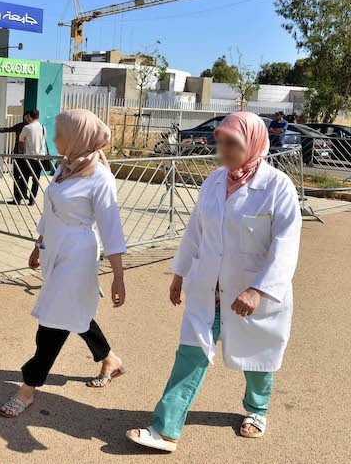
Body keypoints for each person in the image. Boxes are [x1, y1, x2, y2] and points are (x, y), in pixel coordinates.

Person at [126, 112, 301, 452]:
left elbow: (286, 244)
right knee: (190, 354)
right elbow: (196, 230)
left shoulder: (277, 186)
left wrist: (258, 289)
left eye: (232, 143)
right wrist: (179, 273)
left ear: (253, 143)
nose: (223, 150)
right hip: (208, 288)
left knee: (258, 358)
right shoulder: (214, 181)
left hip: (251, 291)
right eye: (221, 142)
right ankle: (165, 429)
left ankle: (257, 410)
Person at [0, 108, 127, 419]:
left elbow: (111, 228)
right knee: (73, 312)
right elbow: (50, 210)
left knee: (52, 321)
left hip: (78, 254)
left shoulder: (100, 177)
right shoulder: (65, 167)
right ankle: (110, 359)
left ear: (78, 136)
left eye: (60, 134)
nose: (55, 139)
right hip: (54, 248)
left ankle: (28, 387)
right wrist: (38, 243)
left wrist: (118, 276)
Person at [0, 113, 30, 203]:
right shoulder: (36, 127)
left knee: (17, 176)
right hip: (28, 154)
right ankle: (23, 194)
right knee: (25, 175)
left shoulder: (22, 126)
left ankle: (18, 198)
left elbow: (8, 129)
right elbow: (8, 129)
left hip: (19, 153)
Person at [15, 109, 46, 205]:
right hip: (40, 157)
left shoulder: (27, 127)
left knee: (24, 178)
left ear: (29, 116)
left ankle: (19, 198)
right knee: (36, 180)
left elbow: (21, 139)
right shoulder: (43, 127)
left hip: (29, 157)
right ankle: (32, 200)